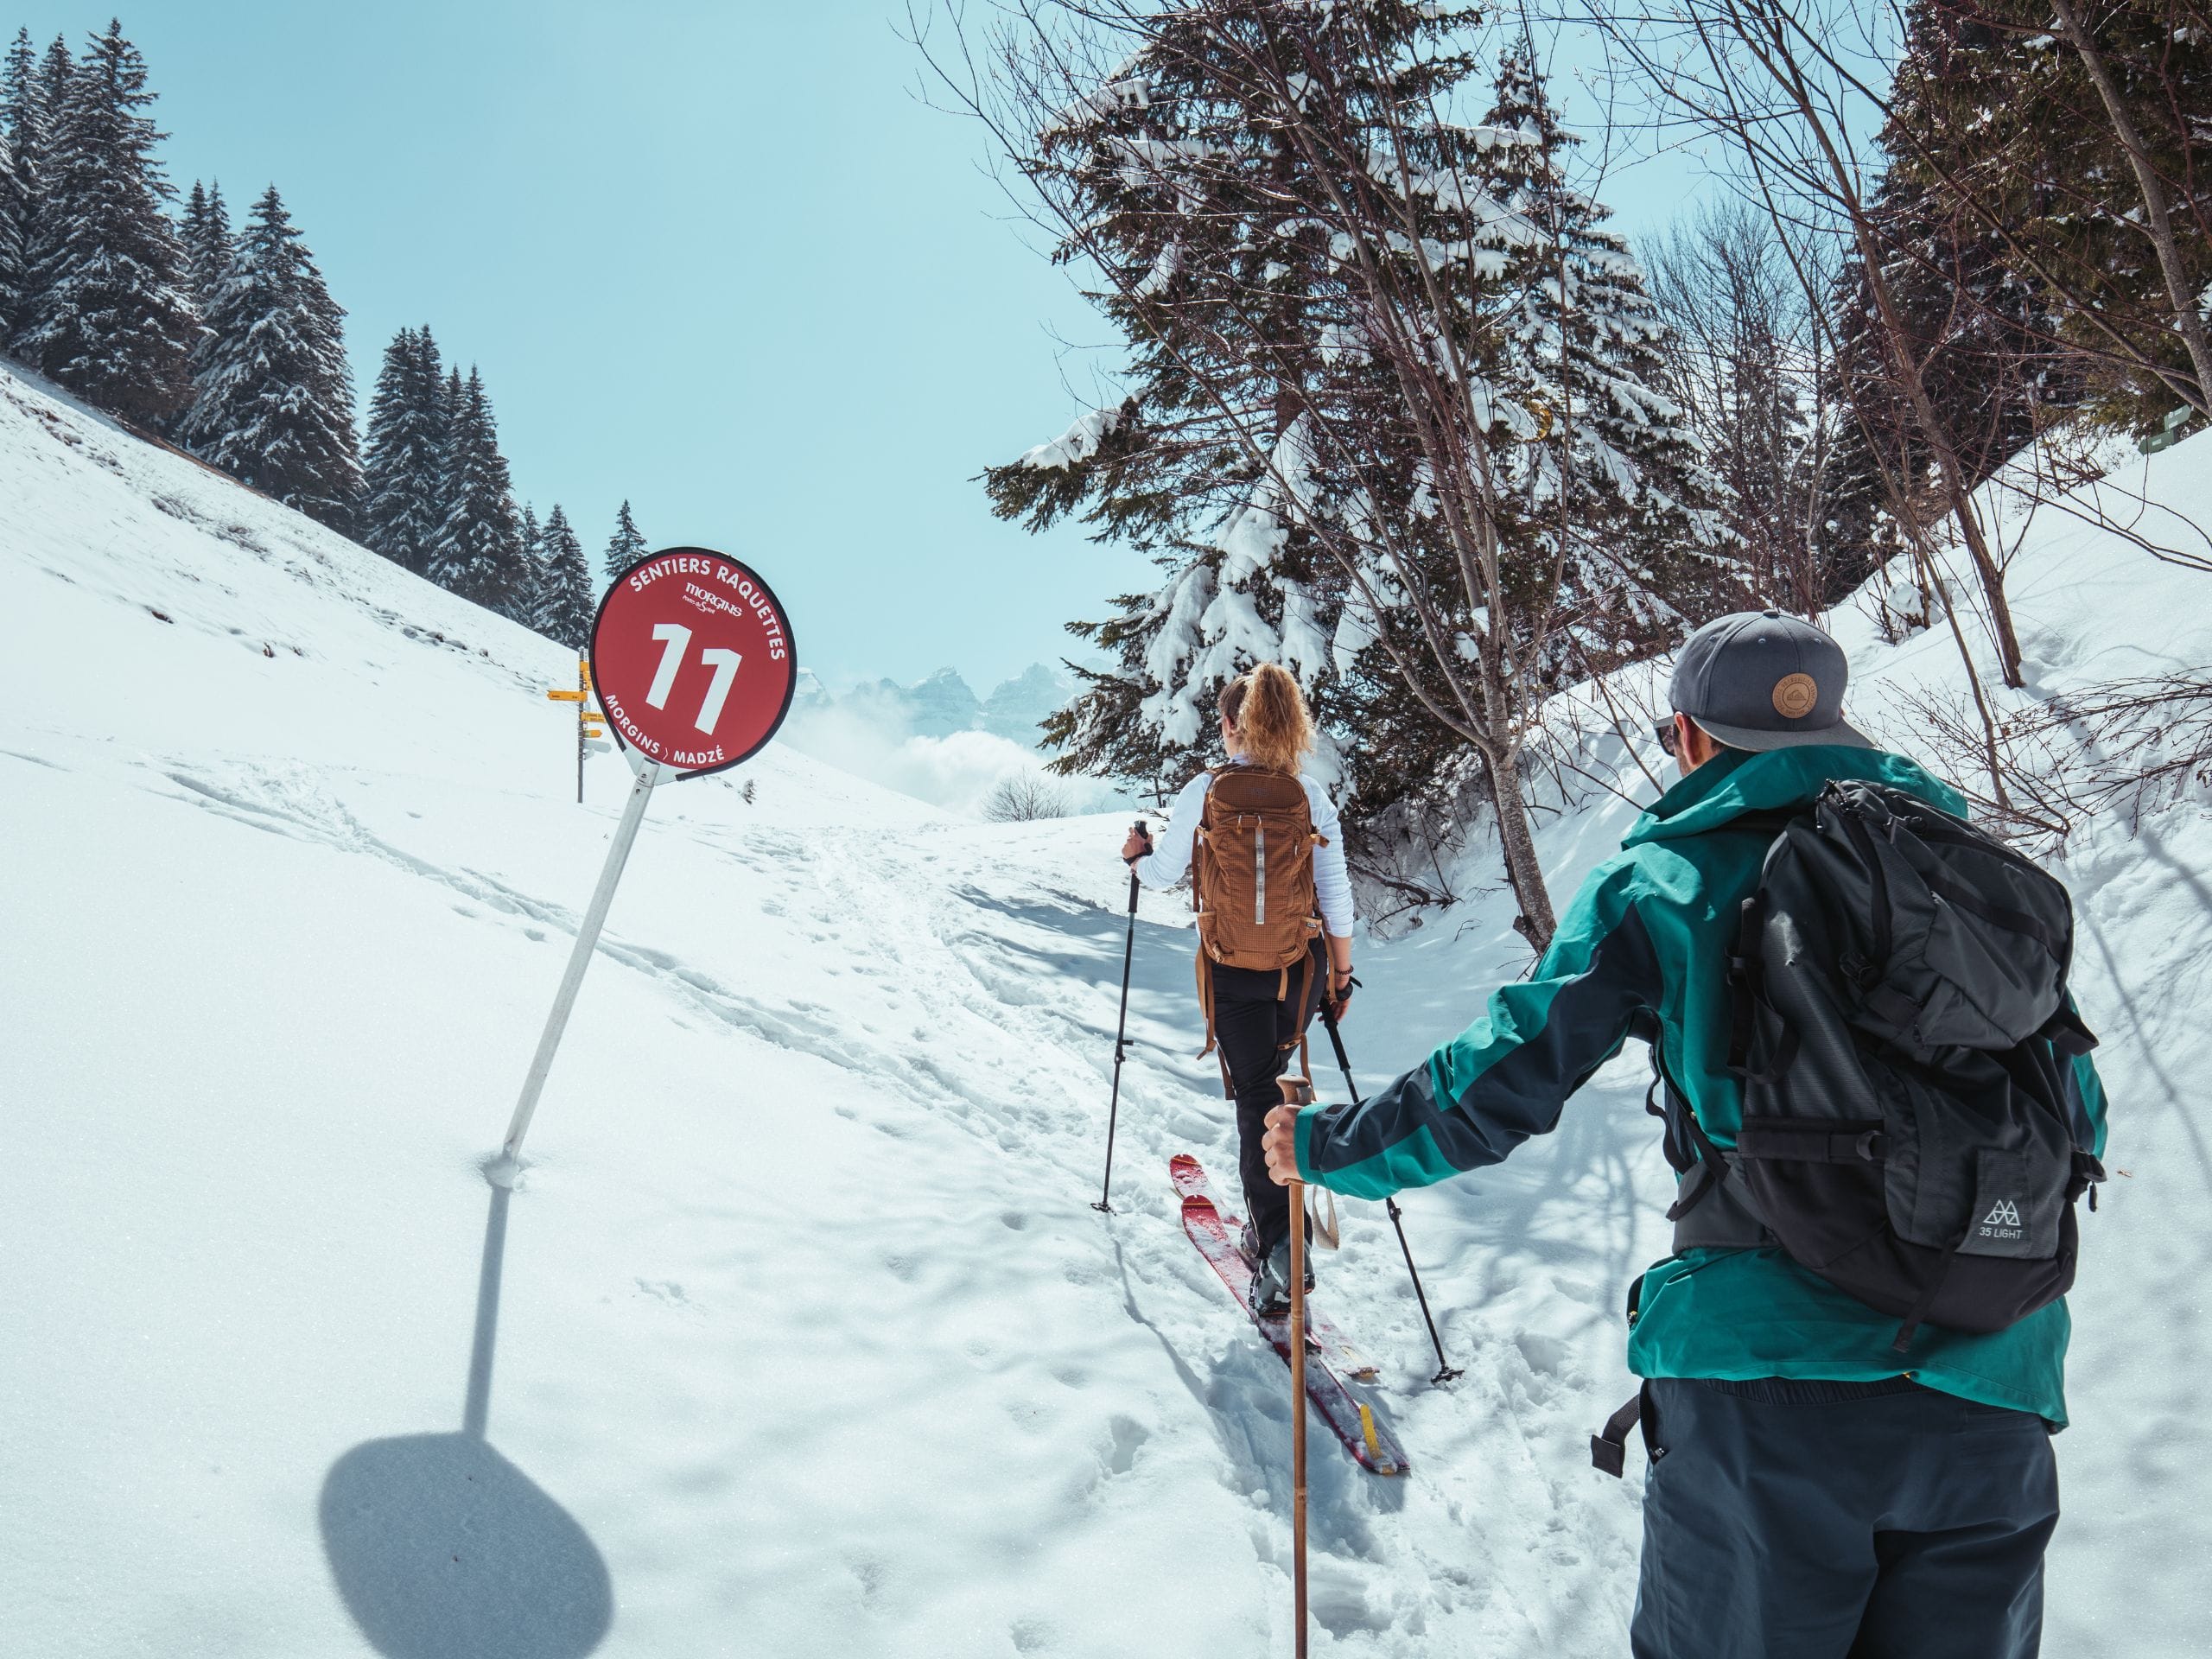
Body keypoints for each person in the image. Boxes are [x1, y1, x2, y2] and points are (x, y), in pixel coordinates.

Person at [1260, 610, 2108, 1659]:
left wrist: (1326, 1146)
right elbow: (2077, 1118)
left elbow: (1502, 1080)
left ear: (1694, 739)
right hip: (1997, 1394)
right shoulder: (1969, 882)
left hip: (1767, 1388)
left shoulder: (1667, 882)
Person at [1123, 664, 1356, 1315]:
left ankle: (1285, 1244)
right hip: (1298, 970)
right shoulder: (1311, 794)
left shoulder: (1206, 789)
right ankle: (1279, 1229)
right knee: (1275, 1086)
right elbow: (1337, 899)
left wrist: (1135, 856)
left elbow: (1166, 873)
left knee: (1257, 1097)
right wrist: (1340, 976)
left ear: (1232, 725)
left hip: (1231, 969)